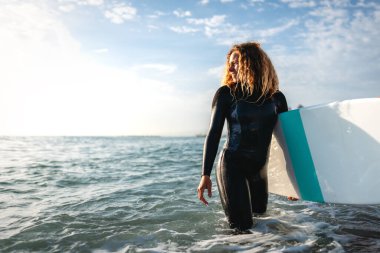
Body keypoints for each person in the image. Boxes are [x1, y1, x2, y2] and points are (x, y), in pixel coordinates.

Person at [197, 41, 288, 231]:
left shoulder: (276, 98)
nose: (230, 67)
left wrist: (292, 181)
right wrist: (205, 174)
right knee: (242, 229)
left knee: (262, 223)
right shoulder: (226, 94)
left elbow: (285, 140)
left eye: (236, 62)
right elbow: (214, 134)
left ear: (252, 63)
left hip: (259, 170)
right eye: (229, 63)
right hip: (232, 166)